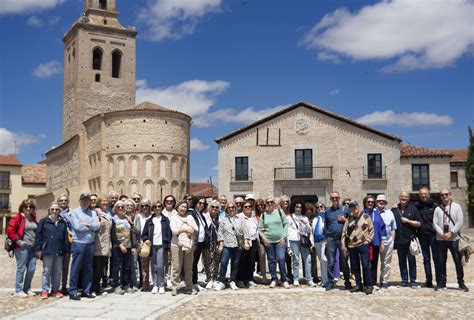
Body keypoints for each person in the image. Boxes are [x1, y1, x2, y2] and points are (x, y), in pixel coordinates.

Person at [433, 188, 469, 292]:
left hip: (454, 239)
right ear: (440, 197)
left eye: (446, 194)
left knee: (457, 261)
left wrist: (451, 232)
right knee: (441, 261)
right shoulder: (437, 209)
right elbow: (434, 223)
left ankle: (461, 283)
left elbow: (460, 221)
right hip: (441, 239)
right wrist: (442, 234)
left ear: (450, 195)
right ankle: (442, 283)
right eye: (442, 195)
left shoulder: (457, 207)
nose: (444, 196)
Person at [69, 193, 101, 300]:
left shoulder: (93, 213)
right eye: (83, 200)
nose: (85, 202)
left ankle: (86, 290)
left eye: (87, 200)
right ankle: (73, 291)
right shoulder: (75, 212)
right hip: (79, 242)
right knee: (76, 267)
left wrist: (88, 225)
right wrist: (91, 226)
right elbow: (77, 227)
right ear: (80, 200)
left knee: (89, 268)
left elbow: (97, 226)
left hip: (90, 243)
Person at [35, 202, 68, 299]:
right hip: (48, 250)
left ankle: (55, 290)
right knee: (46, 271)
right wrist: (38, 249)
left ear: (59, 211)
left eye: (56, 209)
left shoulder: (62, 222)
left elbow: (65, 237)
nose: (54, 211)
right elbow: (38, 236)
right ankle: (45, 290)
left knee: (57, 271)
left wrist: (66, 249)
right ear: (49, 210)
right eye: (52, 209)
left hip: (59, 250)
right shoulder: (43, 221)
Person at [215, 202, 250, 291]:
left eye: (233, 207)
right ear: (227, 209)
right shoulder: (224, 220)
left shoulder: (241, 219)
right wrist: (221, 244)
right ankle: (222, 281)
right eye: (229, 208)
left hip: (238, 244)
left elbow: (246, 231)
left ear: (235, 208)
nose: (231, 209)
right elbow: (220, 232)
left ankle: (232, 281)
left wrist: (246, 242)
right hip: (227, 244)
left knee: (235, 264)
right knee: (223, 263)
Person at [341, 200, 374, 295]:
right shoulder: (349, 219)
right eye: (351, 207)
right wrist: (343, 245)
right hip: (352, 246)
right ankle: (358, 285)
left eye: (355, 206)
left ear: (358, 207)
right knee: (355, 267)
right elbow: (344, 233)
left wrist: (367, 241)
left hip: (363, 244)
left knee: (366, 265)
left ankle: (368, 285)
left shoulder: (366, 217)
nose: (353, 208)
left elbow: (371, 230)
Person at [7, 199, 39, 297]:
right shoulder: (18, 217)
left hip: (33, 248)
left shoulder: (34, 218)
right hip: (22, 247)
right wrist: (18, 241)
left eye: (30, 207)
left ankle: (27, 288)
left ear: (33, 208)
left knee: (31, 269)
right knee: (21, 268)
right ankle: (18, 290)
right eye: (26, 206)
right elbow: (10, 230)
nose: (28, 208)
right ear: (23, 208)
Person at [258, 196, 290, 289]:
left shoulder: (279, 212)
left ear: (274, 203)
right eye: (267, 202)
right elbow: (260, 228)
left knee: (281, 259)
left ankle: (284, 279)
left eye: (271, 202)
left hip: (280, 240)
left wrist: (283, 236)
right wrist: (264, 238)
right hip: (269, 241)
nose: (269, 204)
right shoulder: (264, 215)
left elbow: (286, 223)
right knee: (271, 261)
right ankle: (273, 279)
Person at [141, 201, 172, 294]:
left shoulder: (165, 220)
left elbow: (169, 233)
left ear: (162, 208)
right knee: (153, 266)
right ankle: (155, 285)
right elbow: (144, 234)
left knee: (160, 266)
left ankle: (161, 285)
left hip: (162, 245)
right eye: (155, 207)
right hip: (152, 245)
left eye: (159, 206)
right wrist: (146, 239)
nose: (157, 208)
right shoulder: (149, 221)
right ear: (153, 209)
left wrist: (168, 246)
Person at [392, 191, 421, 288]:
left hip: (410, 239)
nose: (403, 198)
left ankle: (413, 281)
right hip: (399, 240)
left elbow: (419, 223)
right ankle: (404, 280)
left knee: (412, 260)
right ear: (399, 198)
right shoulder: (394, 209)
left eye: (405, 197)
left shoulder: (413, 209)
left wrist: (408, 221)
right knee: (401, 261)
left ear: (408, 199)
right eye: (402, 196)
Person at [324, 191, 352, 290]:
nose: (335, 199)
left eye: (336, 198)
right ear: (330, 199)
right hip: (331, 239)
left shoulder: (345, 209)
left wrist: (345, 220)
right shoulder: (327, 212)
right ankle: (330, 282)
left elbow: (352, 222)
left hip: (342, 239)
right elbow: (326, 226)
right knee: (331, 262)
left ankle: (347, 282)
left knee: (344, 261)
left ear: (339, 198)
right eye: (333, 198)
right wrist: (326, 239)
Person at [170, 200, 198, 295]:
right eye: (182, 206)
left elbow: (196, 228)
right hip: (176, 245)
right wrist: (185, 229)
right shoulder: (174, 218)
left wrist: (191, 230)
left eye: (185, 207)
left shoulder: (190, 217)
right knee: (176, 267)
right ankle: (175, 286)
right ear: (178, 207)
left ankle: (189, 286)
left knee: (188, 267)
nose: (183, 209)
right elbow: (173, 231)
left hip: (188, 244)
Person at [110, 200, 137, 294]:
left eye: (122, 207)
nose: (121, 208)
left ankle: (126, 284)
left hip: (128, 245)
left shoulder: (127, 219)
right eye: (118, 207)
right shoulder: (113, 220)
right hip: (118, 246)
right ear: (115, 209)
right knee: (117, 266)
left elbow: (131, 232)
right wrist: (120, 245)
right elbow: (113, 234)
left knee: (127, 266)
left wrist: (133, 246)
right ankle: (116, 285)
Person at [415, 187, 440, 288]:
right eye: (421, 194)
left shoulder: (434, 205)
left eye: (425, 194)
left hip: (433, 235)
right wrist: (396, 206)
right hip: (422, 236)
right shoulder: (416, 206)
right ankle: (428, 280)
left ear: (428, 195)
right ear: (419, 195)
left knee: (436, 258)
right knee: (426, 259)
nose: (423, 195)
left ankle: (439, 281)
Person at [287, 200, 315, 287]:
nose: (298, 209)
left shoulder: (305, 218)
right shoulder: (289, 217)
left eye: (300, 207)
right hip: (293, 239)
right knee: (295, 260)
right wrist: (288, 245)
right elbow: (287, 232)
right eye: (297, 207)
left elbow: (310, 230)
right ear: (294, 207)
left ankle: (309, 279)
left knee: (308, 259)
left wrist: (306, 223)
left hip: (303, 241)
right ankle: (296, 279)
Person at [361, 195, 386, 287]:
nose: (370, 203)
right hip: (364, 243)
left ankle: (373, 282)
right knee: (365, 263)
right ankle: (366, 282)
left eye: (372, 202)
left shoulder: (377, 214)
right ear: (365, 203)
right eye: (368, 202)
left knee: (374, 263)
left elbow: (382, 228)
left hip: (375, 243)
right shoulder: (361, 214)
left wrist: (382, 243)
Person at [92, 196, 113, 296]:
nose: (104, 202)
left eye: (106, 201)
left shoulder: (108, 213)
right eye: (102, 201)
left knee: (102, 267)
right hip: (98, 243)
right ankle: (94, 288)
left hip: (106, 243)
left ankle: (98, 287)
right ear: (99, 203)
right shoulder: (95, 212)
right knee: (96, 267)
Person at [376, 195, 397, 288]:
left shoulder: (390, 213)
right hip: (375, 242)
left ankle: (384, 280)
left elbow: (393, 228)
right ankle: (372, 280)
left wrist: (392, 241)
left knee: (386, 263)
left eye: (383, 201)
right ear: (376, 202)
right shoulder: (372, 212)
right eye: (379, 201)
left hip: (388, 242)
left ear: (385, 203)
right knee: (372, 262)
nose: (381, 202)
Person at [237, 200, 259, 287]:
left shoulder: (253, 216)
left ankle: (249, 279)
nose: (248, 208)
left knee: (251, 261)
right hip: (243, 241)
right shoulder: (239, 217)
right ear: (242, 208)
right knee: (242, 261)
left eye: (249, 206)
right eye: (245, 206)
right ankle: (241, 279)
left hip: (253, 241)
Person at [202, 199, 222, 289]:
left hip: (217, 241)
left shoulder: (221, 218)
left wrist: (221, 243)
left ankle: (214, 279)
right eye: (212, 207)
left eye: (216, 207)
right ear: (209, 208)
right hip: (207, 242)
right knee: (207, 261)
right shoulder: (205, 217)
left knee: (216, 261)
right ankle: (209, 279)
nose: (214, 208)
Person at [191, 196, 209, 292]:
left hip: (201, 242)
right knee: (192, 264)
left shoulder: (200, 214)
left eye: (203, 203)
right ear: (195, 203)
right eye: (200, 203)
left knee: (195, 263)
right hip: (195, 242)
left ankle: (195, 283)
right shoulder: (192, 213)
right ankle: (192, 283)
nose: (201, 205)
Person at [134, 198, 152, 291]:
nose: (145, 207)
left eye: (147, 206)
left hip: (151, 242)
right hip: (140, 242)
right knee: (142, 264)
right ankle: (143, 282)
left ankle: (155, 282)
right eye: (143, 206)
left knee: (153, 264)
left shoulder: (152, 216)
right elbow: (135, 229)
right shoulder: (138, 216)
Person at [57, 193, 72, 294]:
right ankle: (55, 286)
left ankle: (64, 286)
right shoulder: (54, 212)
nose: (63, 202)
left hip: (68, 242)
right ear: (58, 202)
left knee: (65, 266)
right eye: (61, 200)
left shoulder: (71, 213)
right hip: (57, 242)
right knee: (56, 266)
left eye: (65, 200)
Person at [162, 195, 177, 289]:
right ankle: (162, 278)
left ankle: (169, 278)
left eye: (171, 201)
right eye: (167, 201)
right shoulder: (161, 212)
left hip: (174, 239)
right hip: (163, 239)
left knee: (172, 260)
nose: (169, 202)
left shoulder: (176, 213)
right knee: (163, 260)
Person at [312, 202, 328, 287]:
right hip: (317, 241)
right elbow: (313, 231)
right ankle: (323, 278)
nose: (319, 208)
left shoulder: (327, 217)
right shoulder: (315, 219)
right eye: (317, 207)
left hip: (324, 241)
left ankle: (326, 280)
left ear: (324, 207)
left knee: (324, 260)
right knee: (321, 261)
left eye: (321, 207)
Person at [254, 198, 268, 282]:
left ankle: (274, 276)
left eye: (261, 205)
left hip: (269, 237)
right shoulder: (255, 215)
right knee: (262, 256)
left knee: (271, 257)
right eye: (258, 205)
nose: (259, 207)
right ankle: (264, 276)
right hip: (259, 238)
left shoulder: (268, 214)